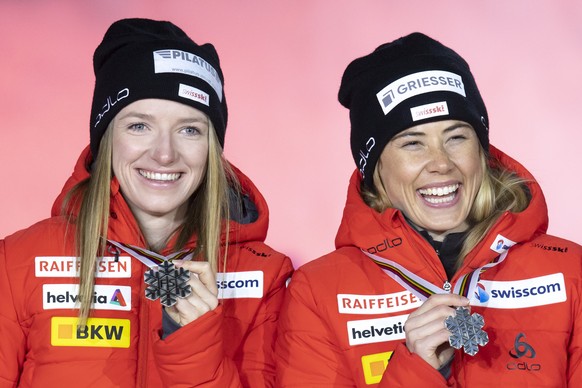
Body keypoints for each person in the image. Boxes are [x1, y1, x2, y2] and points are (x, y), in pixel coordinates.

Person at [275, 32, 582, 387]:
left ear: (482, 153)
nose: (440, 163)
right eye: (412, 143)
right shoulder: (319, 292)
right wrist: (413, 371)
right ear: (375, 169)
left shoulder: (570, 272)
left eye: (456, 137)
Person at [0, 18, 293, 387]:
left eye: (189, 129)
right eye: (139, 126)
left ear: (212, 148)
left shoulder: (264, 278)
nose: (165, 154)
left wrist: (195, 349)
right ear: (107, 138)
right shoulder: (16, 264)